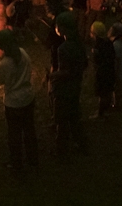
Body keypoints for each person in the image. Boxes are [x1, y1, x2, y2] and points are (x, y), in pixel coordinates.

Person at [0, 29, 38, 172]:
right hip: (28, 97)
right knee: (29, 129)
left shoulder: (5, 63)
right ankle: (33, 158)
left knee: (14, 134)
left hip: (14, 103)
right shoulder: (23, 53)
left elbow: (0, 81)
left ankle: (17, 163)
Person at [49, 12, 88, 159]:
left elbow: (66, 72)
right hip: (75, 88)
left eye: (57, 26)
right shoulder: (79, 43)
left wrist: (52, 75)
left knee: (61, 122)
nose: (56, 29)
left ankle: (61, 152)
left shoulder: (63, 48)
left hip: (63, 91)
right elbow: (83, 64)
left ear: (63, 28)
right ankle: (82, 145)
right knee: (74, 119)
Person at [89, 22, 116, 120]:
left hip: (102, 72)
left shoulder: (97, 45)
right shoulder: (108, 42)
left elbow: (97, 60)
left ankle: (101, 112)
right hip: (110, 70)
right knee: (108, 91)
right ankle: (106, 109)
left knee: (102, 93)